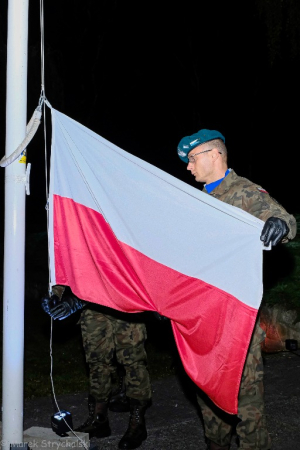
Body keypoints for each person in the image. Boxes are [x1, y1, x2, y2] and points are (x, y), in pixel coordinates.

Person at [177, 129, 297, 450]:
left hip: (237, 326)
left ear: (214, 155)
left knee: (247, 411)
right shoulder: (197, 201)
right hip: (203, 323)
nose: (188, 167)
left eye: (192, 159)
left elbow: (279, 216)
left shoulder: (242, 193)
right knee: (210, 406)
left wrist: (279, 224)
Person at [42, 285, 152, 450]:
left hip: (125, 300)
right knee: (96, 362)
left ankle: (138, 423)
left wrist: (78, 301)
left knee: (133, 363)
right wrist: (54, 294)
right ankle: (98, 419)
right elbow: (69, 265)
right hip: (93, 307)